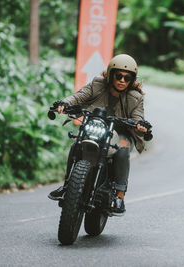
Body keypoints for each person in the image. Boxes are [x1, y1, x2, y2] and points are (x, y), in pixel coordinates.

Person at [48, 54, 148, 215]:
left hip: (120, 133)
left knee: (123, 149)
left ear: (132, 80)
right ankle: (68, 186)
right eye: (119, 75)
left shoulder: (135, 98)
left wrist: (140, 125)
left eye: (127, 78)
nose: (122, 80)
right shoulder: (97, 84)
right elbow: (78, 96)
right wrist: (64, 103)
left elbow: (138, 117)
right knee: (76, 144)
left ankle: (119, 195)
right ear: (110, 74)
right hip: (95, 126)